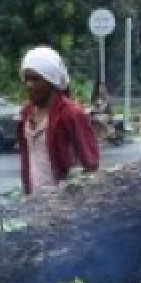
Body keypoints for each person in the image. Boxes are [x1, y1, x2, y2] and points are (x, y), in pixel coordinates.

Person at [17, 46, 100, 196]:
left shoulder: (71, 114)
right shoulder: (25, 114)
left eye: (36, 79)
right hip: (33, 202)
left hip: (64, 205)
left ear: (51, 81)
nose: (29, 85)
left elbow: (90, 163)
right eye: (26, 79)